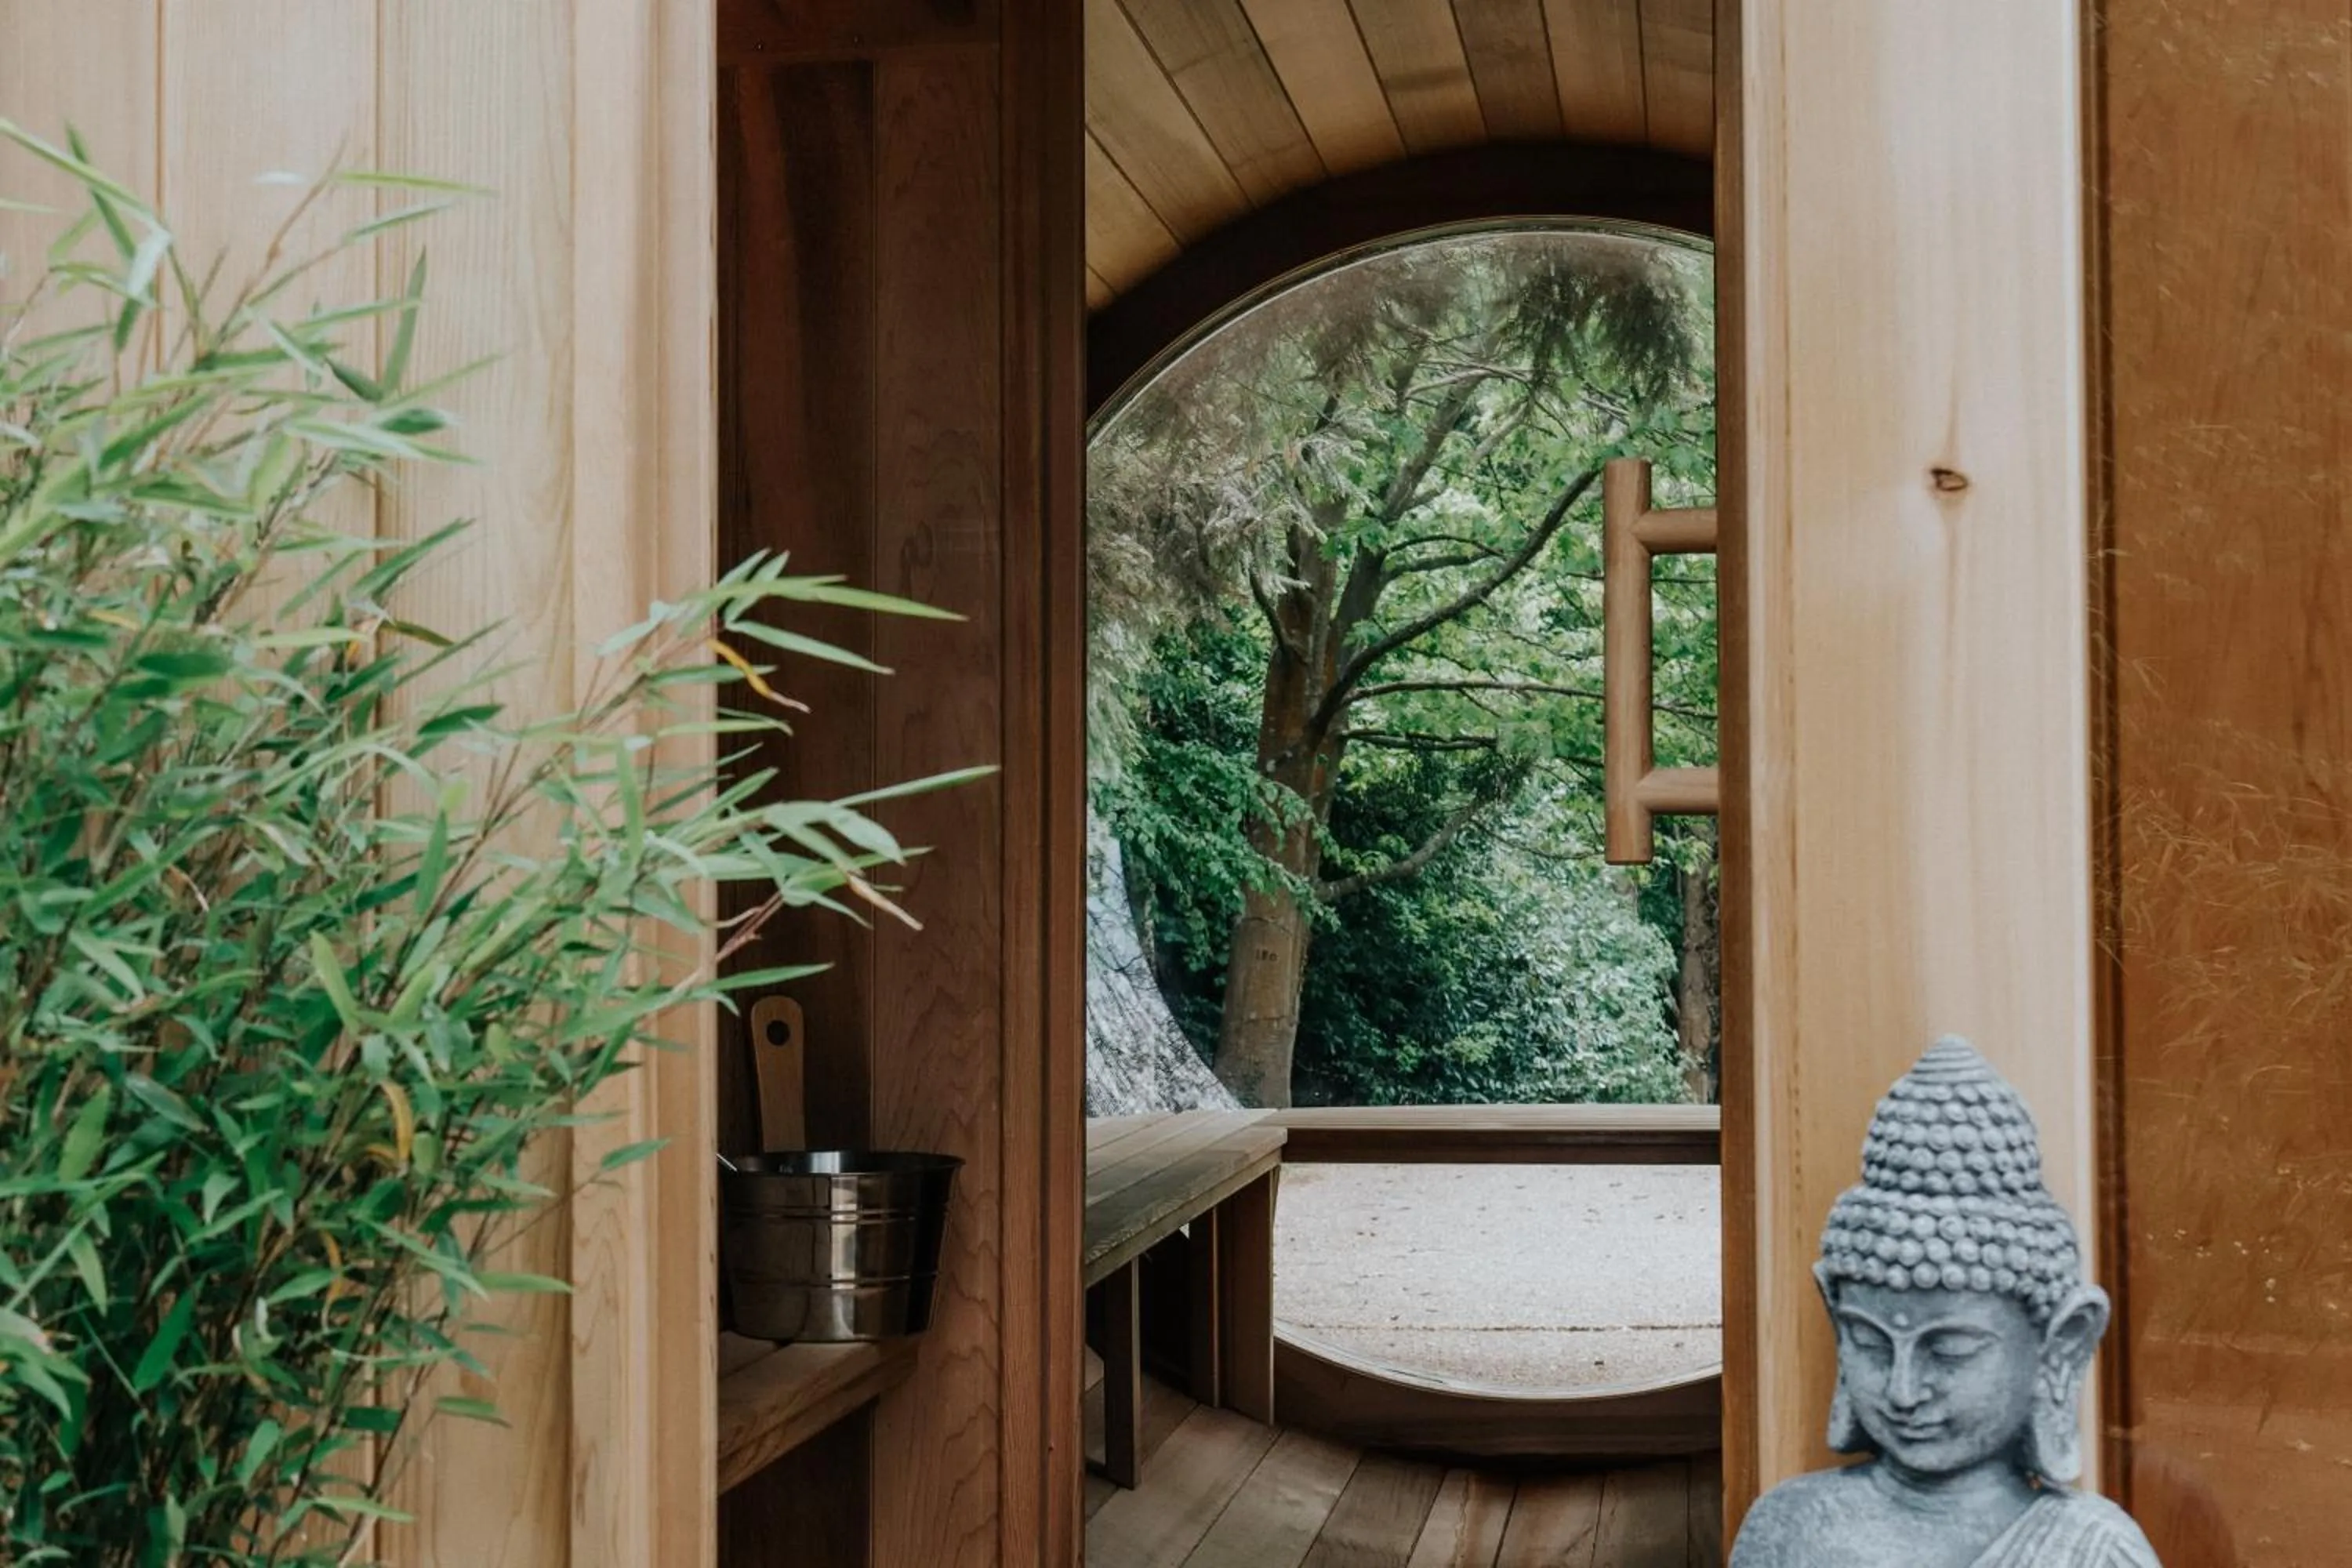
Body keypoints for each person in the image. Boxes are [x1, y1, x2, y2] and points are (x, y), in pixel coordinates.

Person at [1730, 1037, 2161, 1567]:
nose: (1904, 1390)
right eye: (1872, 1344)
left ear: (2059, 1345)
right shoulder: (1790, 1527)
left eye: (1951, 1350)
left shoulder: (2094, 1550)